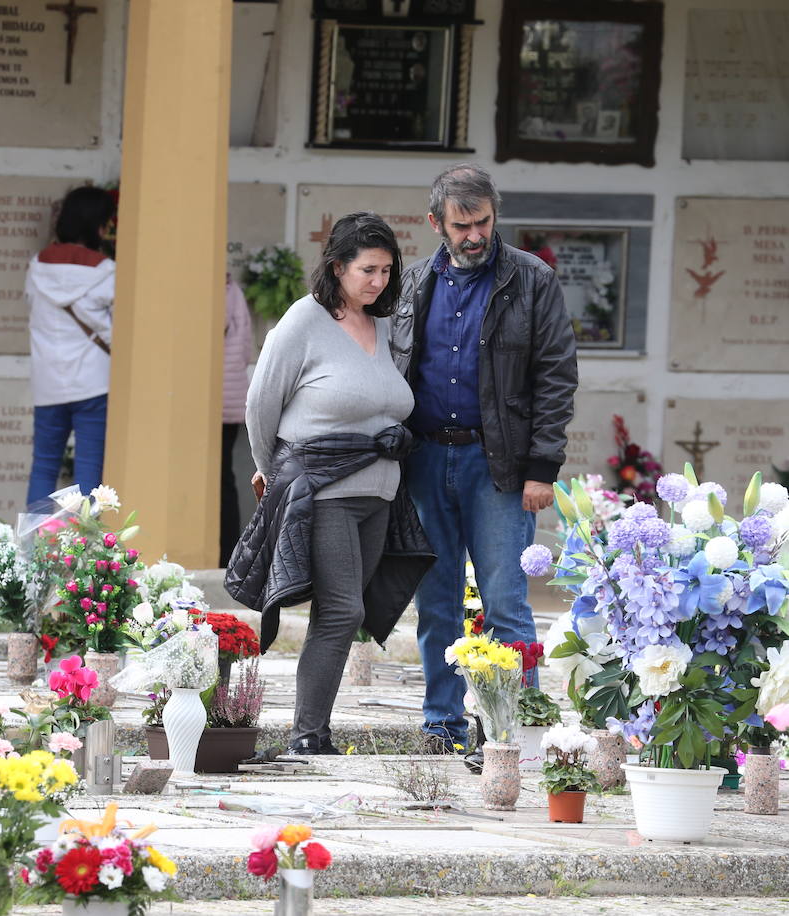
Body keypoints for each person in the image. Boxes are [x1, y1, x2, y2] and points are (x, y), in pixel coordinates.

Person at [227, 213, 433, 756]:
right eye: (368, 269)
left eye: (387, 270)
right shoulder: (304, 320)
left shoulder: (386, 327)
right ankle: (307, 735)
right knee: (344, 610)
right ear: (337, 266)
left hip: (381, 494)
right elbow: (260, 403)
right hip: (324, 490)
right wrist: (271, 470)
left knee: (343, 612)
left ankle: (314, 730)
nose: (379, 281)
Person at [390, 164, 577, 754]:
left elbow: (556, 376)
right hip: (424, 461)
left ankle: (512, 729)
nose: (475, 235)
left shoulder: (532, 279)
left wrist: (542, 468)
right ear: (435, 223)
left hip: (498, 466)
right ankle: (441, 726)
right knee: (436, 601)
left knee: (506, 603)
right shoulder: (414, 281)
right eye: (462, 225)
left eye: (484, 222)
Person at [24, 186, 117, 506]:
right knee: (89, 470)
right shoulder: (105, 271)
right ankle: (88, 553)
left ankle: (32, 551)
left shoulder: (38, 265)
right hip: (94, 383)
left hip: (48, 381)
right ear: (99, 226)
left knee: (44, 465)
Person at [220, 276, 253, 567]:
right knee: (224, 478)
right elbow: (245, 347)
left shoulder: (193, 291)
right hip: (228, 399)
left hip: (199, 401)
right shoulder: (233, 292)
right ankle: (227, 549)